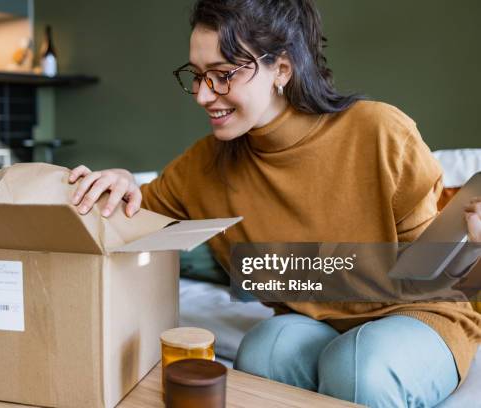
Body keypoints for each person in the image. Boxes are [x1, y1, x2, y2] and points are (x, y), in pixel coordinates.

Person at [68, 0, 481, 406]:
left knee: (357, 364)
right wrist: (121, 183)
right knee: (265, 348)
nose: (202, 95)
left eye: (222, 74)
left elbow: (432, 272)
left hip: (417, 318)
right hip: (316, 325)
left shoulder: (379, 132)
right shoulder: (203, 166)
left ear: (281, 69)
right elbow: (134, 215)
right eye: (196, 76)